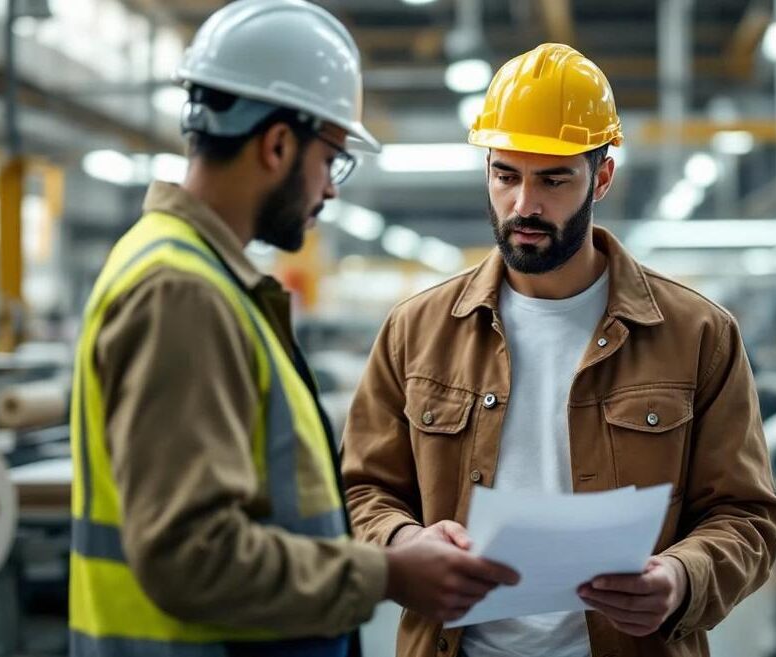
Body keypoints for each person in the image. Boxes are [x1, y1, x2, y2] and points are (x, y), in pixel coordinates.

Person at [67, 2, 516, 655]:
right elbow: (190, 555)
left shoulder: (198, 276)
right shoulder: (182, 293)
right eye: (331, 158)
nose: (330, 191)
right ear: (278, 144)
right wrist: (386, 573)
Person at [342, 43, 776, 657]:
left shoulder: (697, 335)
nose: (525, 204)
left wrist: (683, 577)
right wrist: (398, 542)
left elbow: (748, 515)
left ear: (601, 177)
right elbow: (361, 489)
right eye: (506, 175)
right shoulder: (415, 332)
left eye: (553, 178)